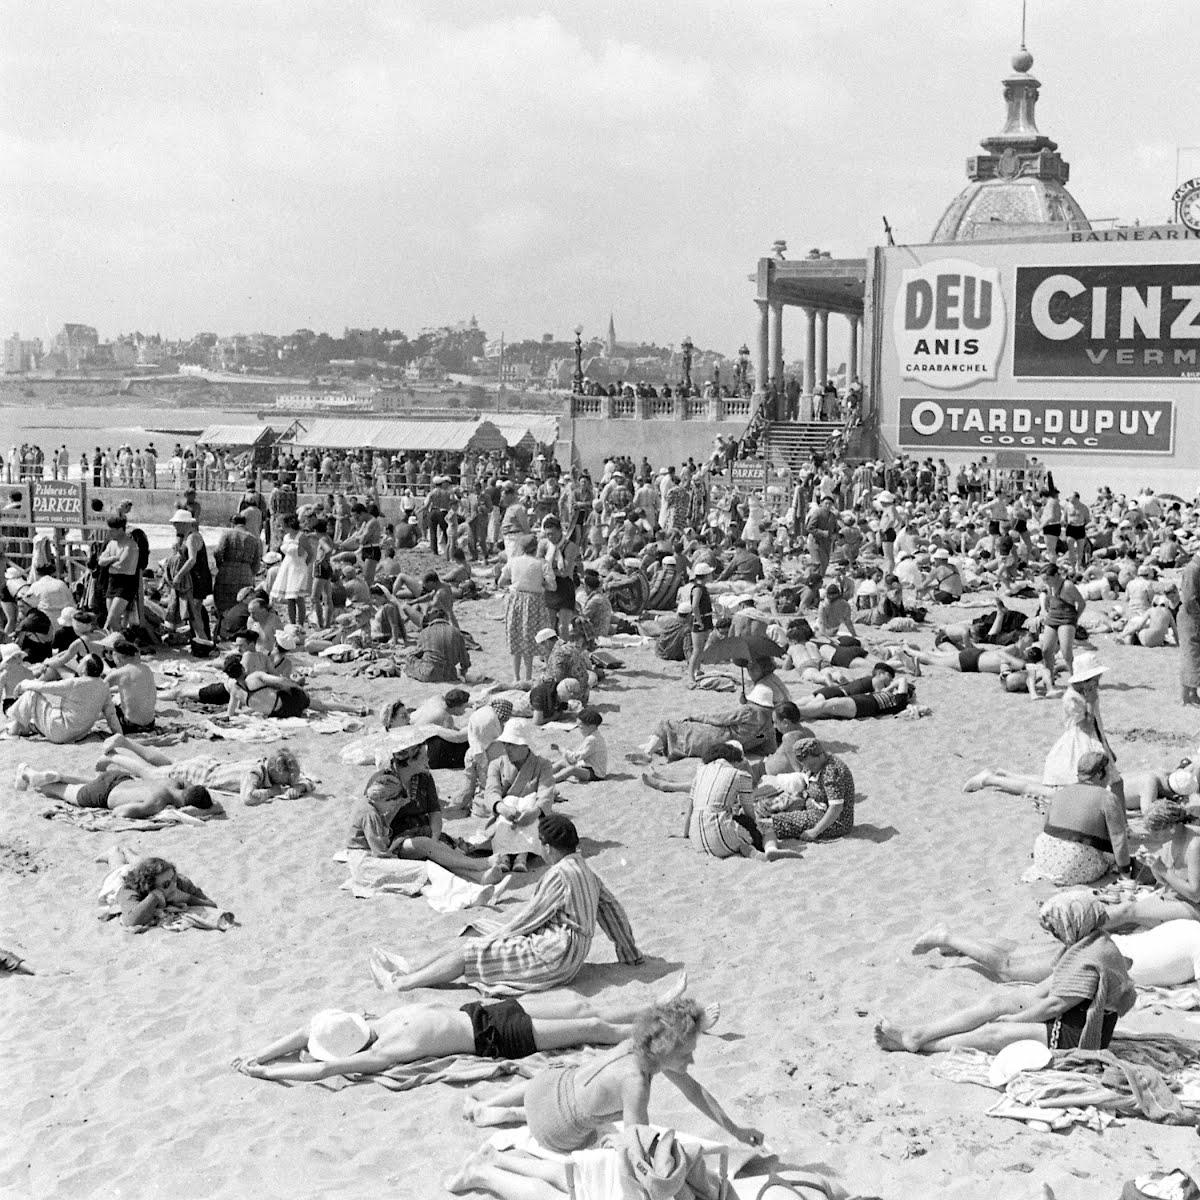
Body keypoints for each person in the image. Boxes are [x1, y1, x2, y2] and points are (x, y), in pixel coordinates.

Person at [456, 998, 762, 1175]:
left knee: (562, 1079)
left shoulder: (640, 1044)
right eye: (686, 1054)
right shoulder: (636, 1084)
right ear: (666, 1050)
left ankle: (493, 1107)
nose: (691, 1061)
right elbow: (635, 1151)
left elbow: (694, 1090)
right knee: (604, 1143)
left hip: (543, 1087)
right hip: (554, 1130)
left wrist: (735, 1129)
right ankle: (507, 1120)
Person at [368, 813, 642, 995]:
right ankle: (413, 967)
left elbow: (530, 919)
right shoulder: (584, 868)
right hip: (568, 951)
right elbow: (611, 909)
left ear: (548, 847)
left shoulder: (559, 874)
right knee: (474, 929)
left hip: (555, 954)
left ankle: (402, 984)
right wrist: (628, 952)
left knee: (472, 951)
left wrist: (495, 940)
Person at [232, 986, 683, 1082]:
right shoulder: (384, 1049)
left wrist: (259, 1053)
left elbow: (306, 1031)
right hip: (496, 1040)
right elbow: (329, 1065)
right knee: (592, 1028)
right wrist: (268, 1073)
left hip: (484, 1012)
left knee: (581, 1005)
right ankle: (668, 1028)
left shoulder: (374, 1025)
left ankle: (658, 1005)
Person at [876, 893, 1136, 1055]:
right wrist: (1013, 1002)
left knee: (996, 1034)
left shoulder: (1092, 957)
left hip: (1079, 1034)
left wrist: (1015, 1020)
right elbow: (1048, 987)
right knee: (996, 1003)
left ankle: (920, 1042)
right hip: (1073, 1016)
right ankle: (921, 1032)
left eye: (1058, 929)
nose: (1056, 935)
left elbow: (1053, 1006)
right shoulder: (1089, 942)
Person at [347, 727, 496, 879]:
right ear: (410, 760)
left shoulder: (424, 778)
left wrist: (435, 836)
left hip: (423, 831)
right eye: (423, 756)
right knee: (426, 846)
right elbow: (373, 818)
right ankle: (477, 865)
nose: (428, 759)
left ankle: (481, 877)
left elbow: (434, 812)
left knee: (437, 851)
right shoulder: (384, 781)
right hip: (394, 840)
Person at [627, 666, 786, 763]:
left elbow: (721, 719)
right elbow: (767, 746)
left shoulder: (750, 711)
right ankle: (652, 746)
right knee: (679, 732)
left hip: (718, 736)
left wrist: (696, 717)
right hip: (733, 745)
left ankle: (648, 752)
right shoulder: (769, 724)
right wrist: (748, 742)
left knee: (670, 725)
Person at [96, 737, 312, 807]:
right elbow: (248, 798)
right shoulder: (254, 774)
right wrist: (272, 792)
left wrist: (300, 787)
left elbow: (306, 779)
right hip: (200, 774)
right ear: (276, 770)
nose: (288, 781)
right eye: (287, 778)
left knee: (167, 764)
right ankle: (113, 756)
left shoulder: (264, 764)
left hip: (206, 765)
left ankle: (128, 744)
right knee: (151, 774)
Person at [1027, 751, 1131, 885]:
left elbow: (1045, 826)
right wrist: (1125, 873)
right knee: (1110, 856)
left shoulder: (1061, 793)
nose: (1110, 776)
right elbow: (1118, 838)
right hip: (1074, 865)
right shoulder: (1107, 798)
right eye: (1109, 771)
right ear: (1100, 773)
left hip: (1043, 858)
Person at [483, 719, 559, 876]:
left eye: (513, 744)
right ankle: (504, 855)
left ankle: (521, 856)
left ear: (525, 746)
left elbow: (546, 792)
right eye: (506, 744)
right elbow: (491, 791)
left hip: (532, 815)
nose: (508, 749)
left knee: (530, 801)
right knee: (509, 802)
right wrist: (502, 808)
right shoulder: (497, 764)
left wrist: (535, 812)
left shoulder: (542, 764)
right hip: (505, 815)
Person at [15, 761, 212, 819]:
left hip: (119, 778)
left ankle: (58, 773)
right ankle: (28, 773)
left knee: (89, 783)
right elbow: (120, 812)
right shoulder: (158, 803)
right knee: (58, 791)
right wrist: (148, 814)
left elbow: (187, 784)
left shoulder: (174, 783)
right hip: (105, 795)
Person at [6, 655, 122, 743]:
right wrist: (119, 734)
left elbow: (44, 687)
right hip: (79, 734)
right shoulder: (104, 686)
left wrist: (23, 684)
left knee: (32, 693)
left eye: (81, 661)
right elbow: (111, 715)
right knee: (48, 703)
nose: (79, 662)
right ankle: (23, 726)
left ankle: (13, 731)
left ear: (84, 669)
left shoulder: (75, 683)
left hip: (60, 732)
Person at [761, 737, 855, 845]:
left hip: (834, 821)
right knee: (773, 804)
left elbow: (836, 808)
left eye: (812, 765)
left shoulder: (832, 772)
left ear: (821, 755)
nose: (810, 768)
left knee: (778, 822)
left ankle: (768, 843)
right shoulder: (816, 764)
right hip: (813, 806)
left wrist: (814, 832)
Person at [675, 743, 762, 858]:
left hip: (698, 841)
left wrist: (685, 833)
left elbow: (690, 810)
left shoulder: (700, 772)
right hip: (722, 838)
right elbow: (749, 812)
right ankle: (750, 849)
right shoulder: (740, 775)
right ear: (736, 759)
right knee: (748, 825)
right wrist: (755, 832)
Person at [499, 535, 554, 684]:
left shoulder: (513, 561)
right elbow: (552, 585)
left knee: (516, 637)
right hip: (534, 601)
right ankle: (528, 677)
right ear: (536, 547)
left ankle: (516, 677)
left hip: (516, 600)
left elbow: (501, 581)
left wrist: (513, 585)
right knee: (529, 638)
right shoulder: (542, 563)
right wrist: (541, 583)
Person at [110, 855, 216, 928]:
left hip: (142, 871)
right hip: (119, 878)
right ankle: (113, 851)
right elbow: (130, 921)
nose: (173, 885)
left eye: (173, 878)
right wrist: (154, 897)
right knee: (118, 864)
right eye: (166, 884)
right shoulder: (129, 890)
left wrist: (187, 897)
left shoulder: (179, 881)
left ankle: (127, 851)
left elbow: (212, 905)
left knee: (138, 860)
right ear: (151, 887)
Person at [213, 513, 262, 623]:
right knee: (242, 602)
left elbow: (218, 552)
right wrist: (250, 573)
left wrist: (221, 565)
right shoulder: (253, 539)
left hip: (227, 570)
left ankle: (223, 626)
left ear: (232, 523)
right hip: (246, 572)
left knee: (223, 602)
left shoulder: (227, 534)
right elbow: (256, 563)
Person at [1039, 563, 1085, 680]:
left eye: (1047, 579)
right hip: (1053, 616)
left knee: (1066, 652)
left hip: (1067, 618)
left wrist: (1075, 618)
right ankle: (1050, 679)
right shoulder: (1050, 586)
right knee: (1046, 650)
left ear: (1056, 575)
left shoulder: (1067, 586)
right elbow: (1045, 598)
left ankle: (1075, 678)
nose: (1046, 582)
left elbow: (1081, 603)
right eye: (1044, 579)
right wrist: (1044, 610)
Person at [409, 688, 471, 768]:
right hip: (415, 740)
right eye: (464, 707)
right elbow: (455, 737)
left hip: (410, 721)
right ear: (456, 707)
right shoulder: (446, 718)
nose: (465, 710)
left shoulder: (437, 698)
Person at [97, 514, 139, 631]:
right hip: (112, 582)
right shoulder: (111, 544)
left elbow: (122, 565)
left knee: (111, 618)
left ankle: (109, 642)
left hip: (125, 584)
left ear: (120, 529)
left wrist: (110, 563)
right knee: (113, 623)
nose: (110, 534)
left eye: (112, 531)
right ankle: (118, 644)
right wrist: (114, 558)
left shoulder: (131, 545)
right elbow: (101, 561)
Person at [105, 638, 157, 733]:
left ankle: (117, 731)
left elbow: (97, 689)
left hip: (131, 726)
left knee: (109, 704)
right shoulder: (146, 668)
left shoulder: (119, 673)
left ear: (118, 656)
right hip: (151, 724)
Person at [404, 609, 470, 683]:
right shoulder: (456, 632)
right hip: (450, 675)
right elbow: (464, 658)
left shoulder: (424, 632)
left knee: (410, 658)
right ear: (446, 618)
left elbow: (419, 652)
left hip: (429, 674)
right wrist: (464, 670)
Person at [550, 708, 607, 784]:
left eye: (581, 727)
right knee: (562, 762)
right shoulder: (593, 735)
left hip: (595, 773)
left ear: (591, 726)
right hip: (586, 766)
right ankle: (543, 774)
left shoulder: (592, 739)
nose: (579, 730)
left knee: (572, 769)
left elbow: (576, 757)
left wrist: (561, 749)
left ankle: (550, 780)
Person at [1180, 546, 1200, 706]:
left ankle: (1191, 693)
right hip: (1190, 617)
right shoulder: (1193, 570)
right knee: (1192, 654)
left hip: (1192, 616)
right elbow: (1189, 600)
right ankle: (1187, 696)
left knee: (1192, 654)